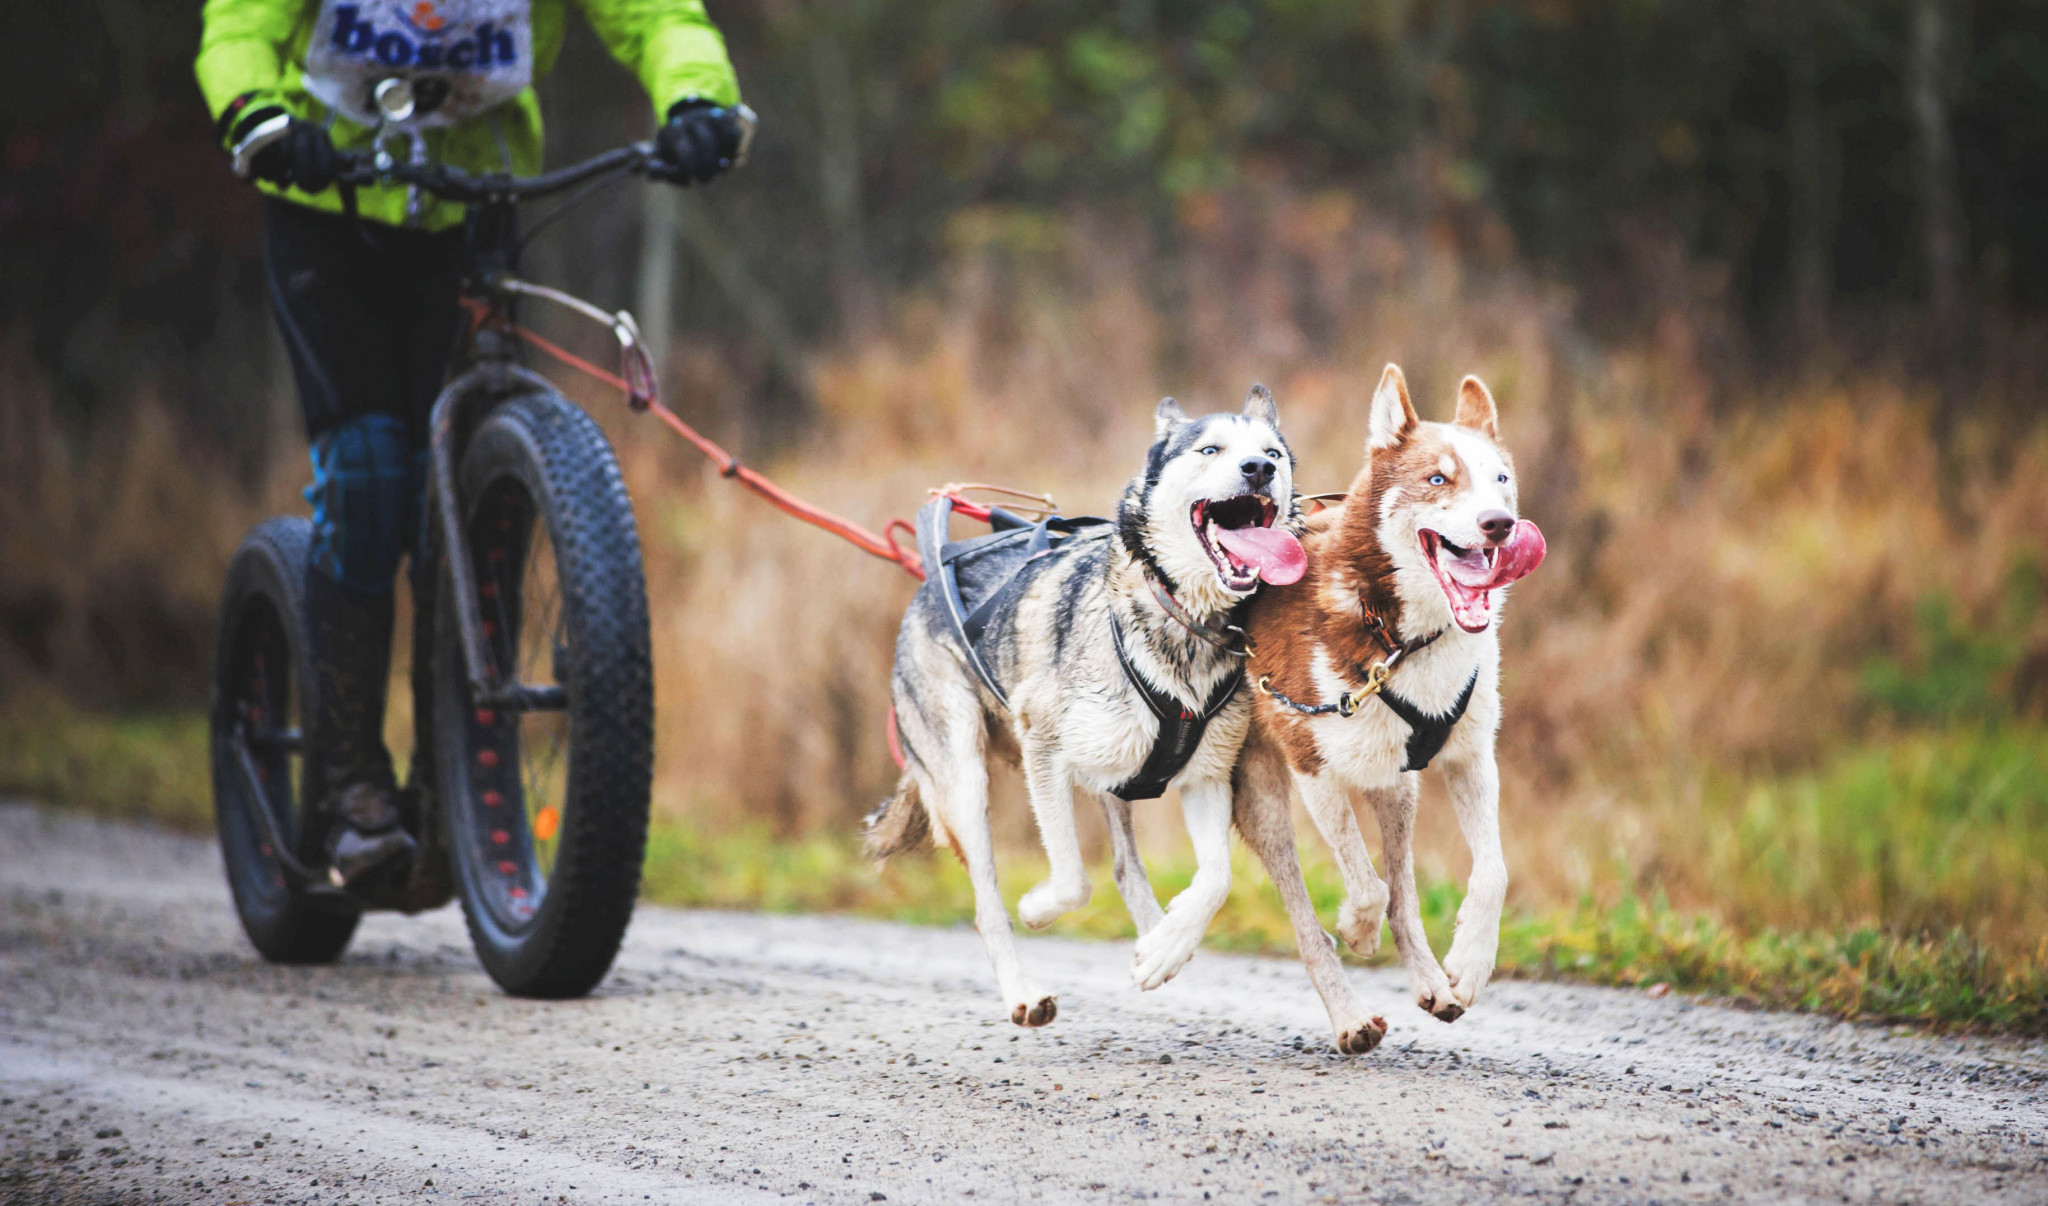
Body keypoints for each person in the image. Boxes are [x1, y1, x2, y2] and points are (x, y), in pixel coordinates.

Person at [196, 0, 750, 885]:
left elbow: (656, 18)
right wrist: (256, 114)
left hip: (475, 210)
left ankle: (449, 785)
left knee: (457, 490)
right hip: (325, 205)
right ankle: (348, 789)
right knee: (371, 475)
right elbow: (238, 29)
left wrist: (696, 100)